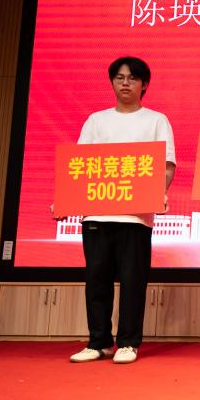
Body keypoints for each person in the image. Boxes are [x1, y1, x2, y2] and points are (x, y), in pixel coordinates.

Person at [68, 57, 176, 365]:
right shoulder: (96, 121)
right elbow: (79, 166)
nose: (125, 83)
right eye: (119, 77)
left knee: (133, 281)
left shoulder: (156, 120)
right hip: (97, 214)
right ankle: (98, 341)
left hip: (136, 217)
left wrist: (157, 193)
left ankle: (128, 343)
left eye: (132, 78)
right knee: (96, 280)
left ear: (144, 84)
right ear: (112, 82)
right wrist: (67, 199)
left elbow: (167, 166)